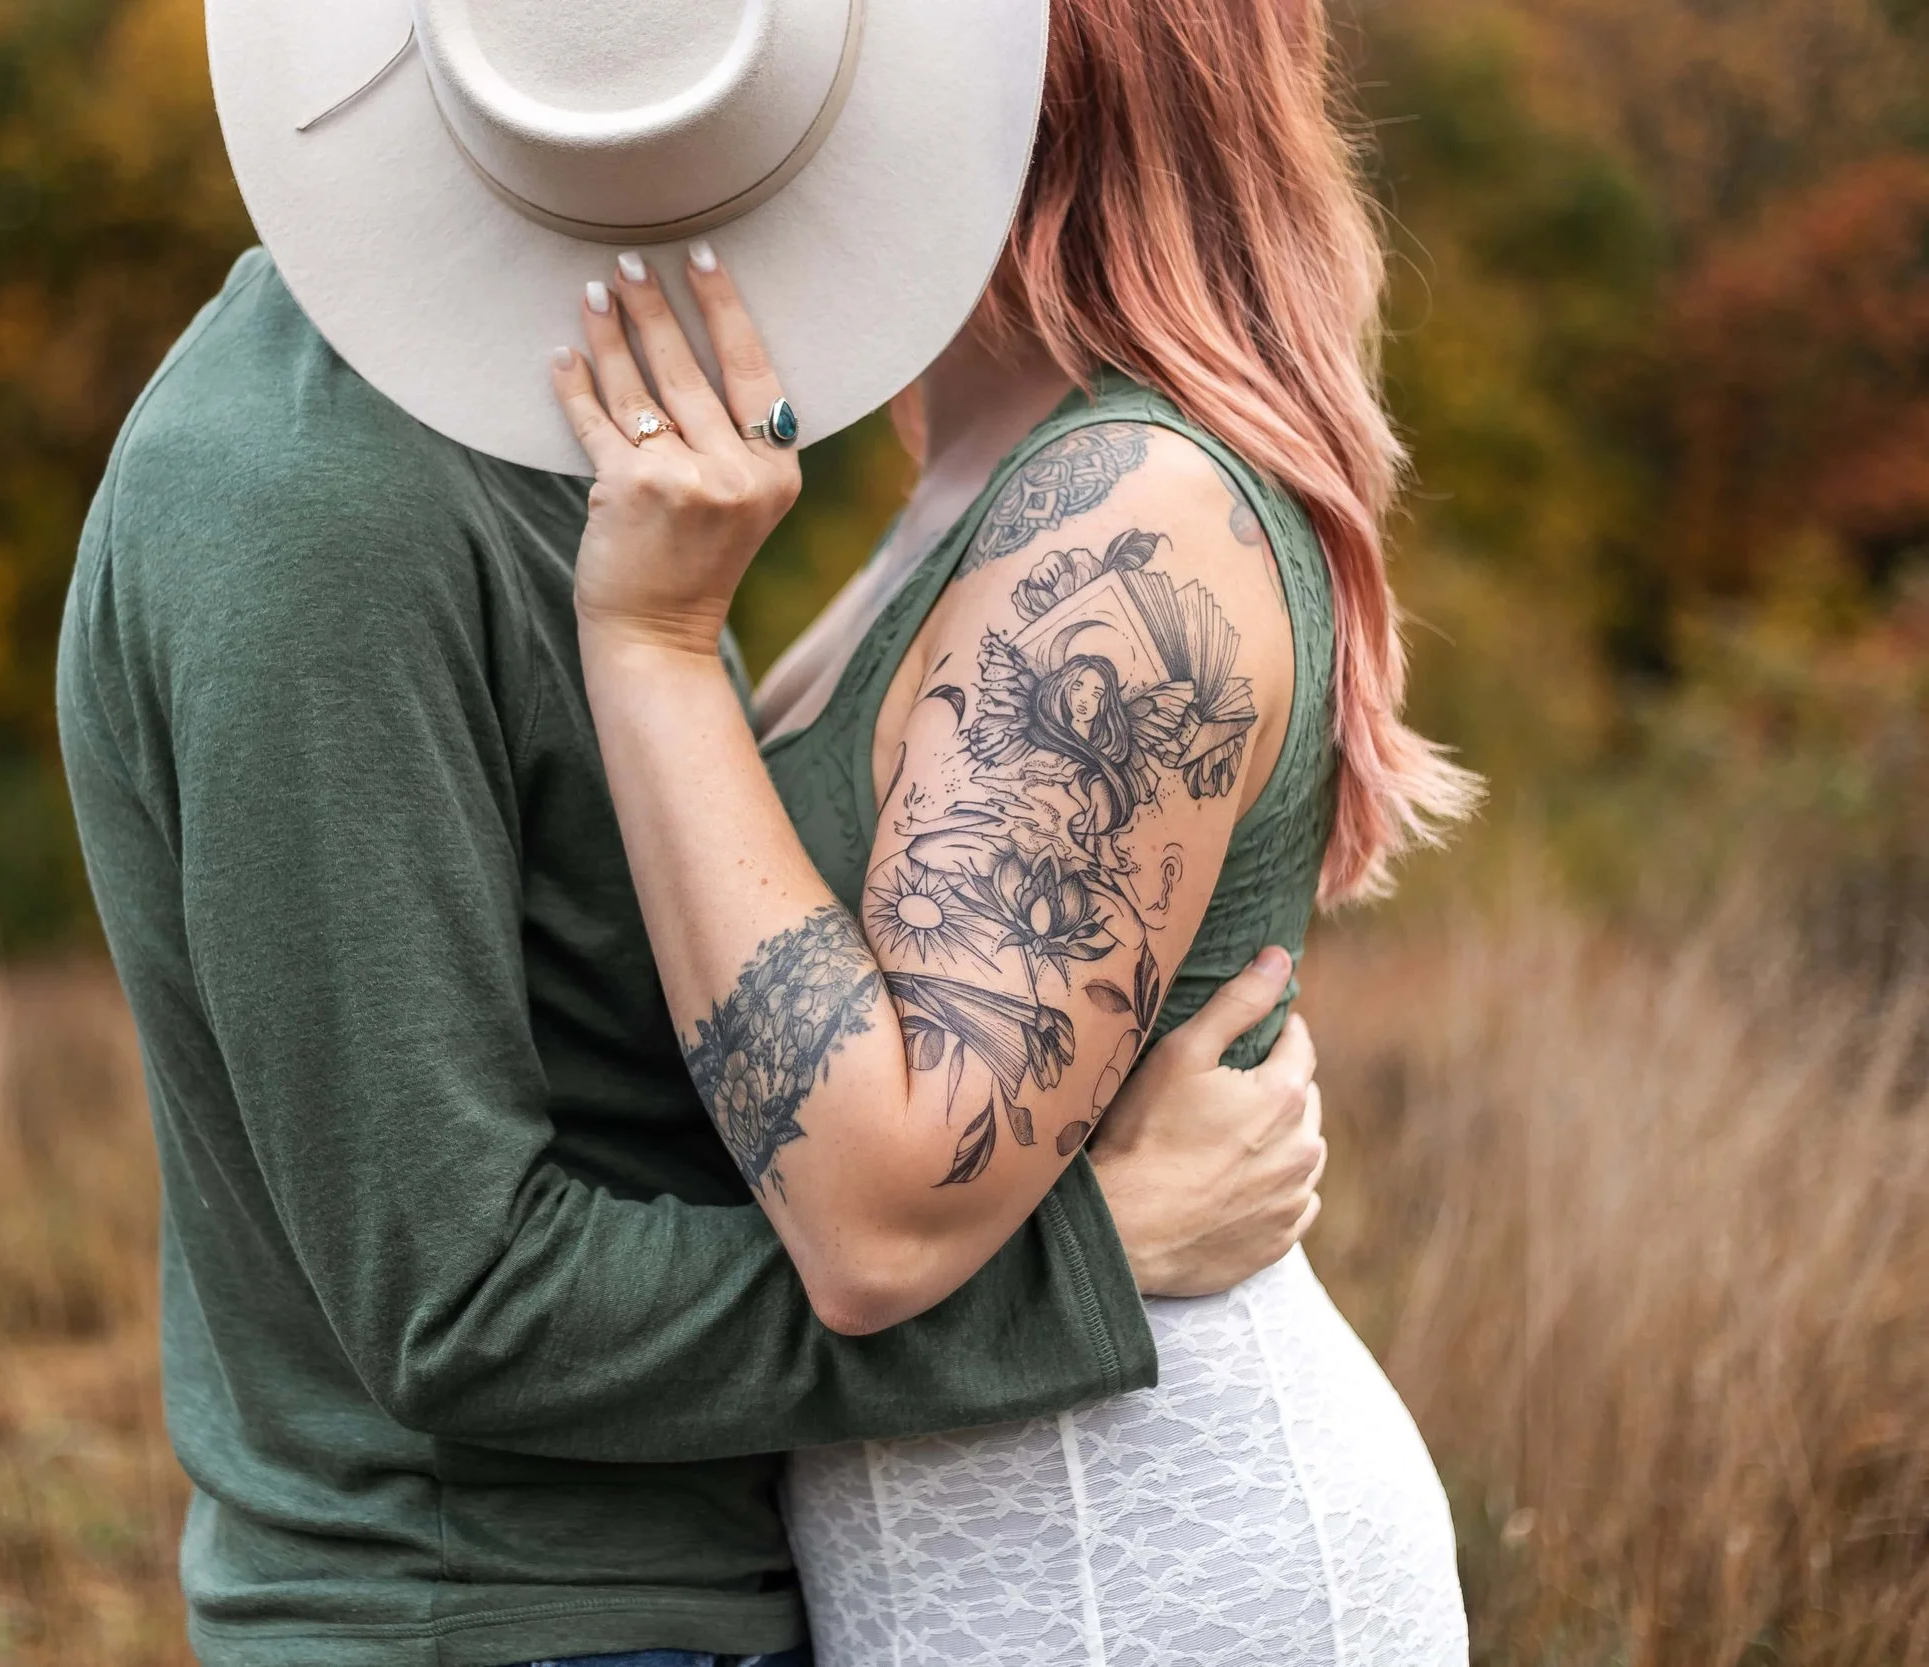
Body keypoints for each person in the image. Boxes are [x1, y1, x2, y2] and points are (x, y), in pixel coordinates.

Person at [58, 2, 1373, 1663]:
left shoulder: (628, 445)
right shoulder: (331, 500)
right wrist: (1088, 1261)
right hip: (514, 1615)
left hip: (1091, 1561)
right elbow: (456, 1294)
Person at [538, 0, 1484, 1659]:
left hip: (1148, 1561)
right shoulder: (973, 479)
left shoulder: (1130, 507)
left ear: (1052, 68)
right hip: (1000, 1569)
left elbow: (880, 1214)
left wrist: (656, 647)